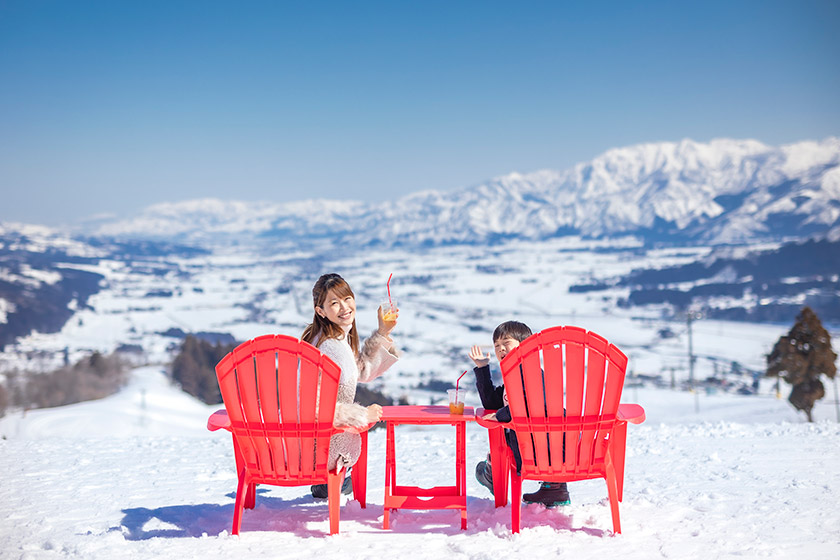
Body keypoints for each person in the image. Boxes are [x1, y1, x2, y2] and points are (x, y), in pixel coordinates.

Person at [301, 273, 399, 499]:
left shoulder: (329, 339)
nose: (344, 307)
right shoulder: (329, 347)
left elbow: (360, 370)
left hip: (313, 441)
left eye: (347, 298)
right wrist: (362, 414)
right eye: (334, 303)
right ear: (321, 311)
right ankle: (330, 479)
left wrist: (383, 332)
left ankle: (330, 482)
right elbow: (314, 407)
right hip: (325, 447)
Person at [469, 320, 571, 507]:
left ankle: (492, 473)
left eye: (506, 343)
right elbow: (492, 402)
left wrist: (501, 415)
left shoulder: (531, 373)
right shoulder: (514, 376)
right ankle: (554, 489)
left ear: (525, 346)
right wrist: (483, 369)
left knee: (502, 437)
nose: (501, 349)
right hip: (544, 448)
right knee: (508, 434)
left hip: (537, 451)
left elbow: (528, 402)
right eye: (497, 345)